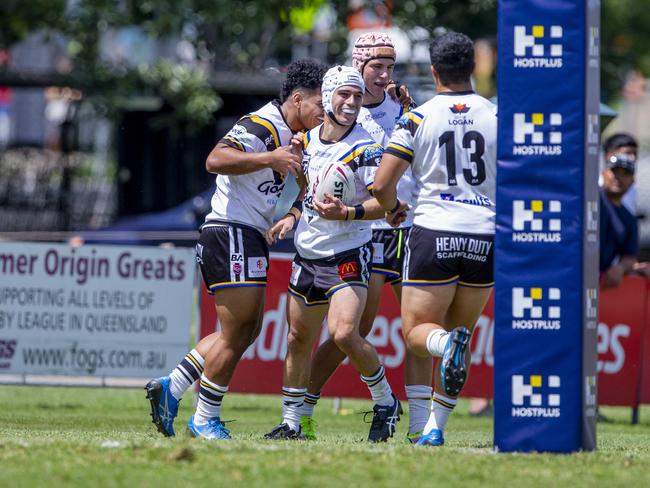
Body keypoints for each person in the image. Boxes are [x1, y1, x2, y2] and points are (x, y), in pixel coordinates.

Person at [144, 58, 327, 439]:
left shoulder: (299, 136)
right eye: (319, 106)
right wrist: (270, 157)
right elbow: (215, 159)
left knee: (244, 330)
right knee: (238, 329)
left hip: (249, 234)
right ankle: (204, 418)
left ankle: (172, 387)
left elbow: (307, 189)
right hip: (230, 232)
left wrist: (292, 213)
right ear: (297, 99)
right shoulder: (261, 124)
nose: (323, 114)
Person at [299, 32, 433, 443]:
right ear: (358, 66)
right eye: (377, 66)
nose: (384, 75)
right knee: (351, 333)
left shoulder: (405, 108)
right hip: (366, 233)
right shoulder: (343, 111)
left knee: (417, 328)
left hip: (406, 230)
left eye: (390, 67)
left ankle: (419, 427)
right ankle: (303, 409)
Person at [264, 65, 401, 442]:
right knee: (296, 340)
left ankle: (385, 402)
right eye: (344, 94)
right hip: (307, 254)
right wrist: (294, 214)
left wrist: (349, 212)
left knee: (343, 333)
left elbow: (385, 203)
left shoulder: (366, 147)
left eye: (357, 96)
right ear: (327, 96)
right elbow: (307, 188)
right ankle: (293, 423)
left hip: (347, 252)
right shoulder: (305, 141)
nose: (352, 102)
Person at [373, 31, 497, 446]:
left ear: (433, 71)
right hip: (484, 235)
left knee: (419, 335)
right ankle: (434, 430)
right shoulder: (497, 116)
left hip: (434, 231)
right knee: (463, 332)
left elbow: (382, 183)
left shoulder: (417, 117)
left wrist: (391, 209)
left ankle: (446, 344)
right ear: (474, 68)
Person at [599, 152, 640, 287]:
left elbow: (630, 256)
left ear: (633, 181)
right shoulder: (588, 201)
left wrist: (620, 268)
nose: (618, 177)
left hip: (601, 284)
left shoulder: (629, 218)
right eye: (614, 171)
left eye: (625, 173)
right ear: (604, 173)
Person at [602, 133, 638, 215]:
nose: (632, 158)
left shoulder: (630, 188)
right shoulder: (591, 189)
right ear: (609, 155)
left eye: (635, 154)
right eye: (627, 153)